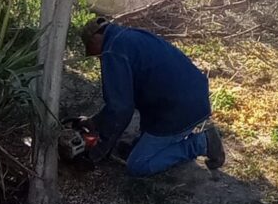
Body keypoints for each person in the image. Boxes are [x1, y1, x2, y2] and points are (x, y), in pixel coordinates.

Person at [80, 18, 225, 176]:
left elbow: (120, 108)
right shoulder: (128, 36)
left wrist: (102, 143)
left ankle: (201, 143)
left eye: (90, 48)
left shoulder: (112, 50)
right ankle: (148, 144)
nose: (96, 56)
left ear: (95, 37)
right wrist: (96, 121)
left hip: (178, 109)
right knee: (141, 139)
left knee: (138, 165)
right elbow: (135, 94)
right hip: (192, 95)